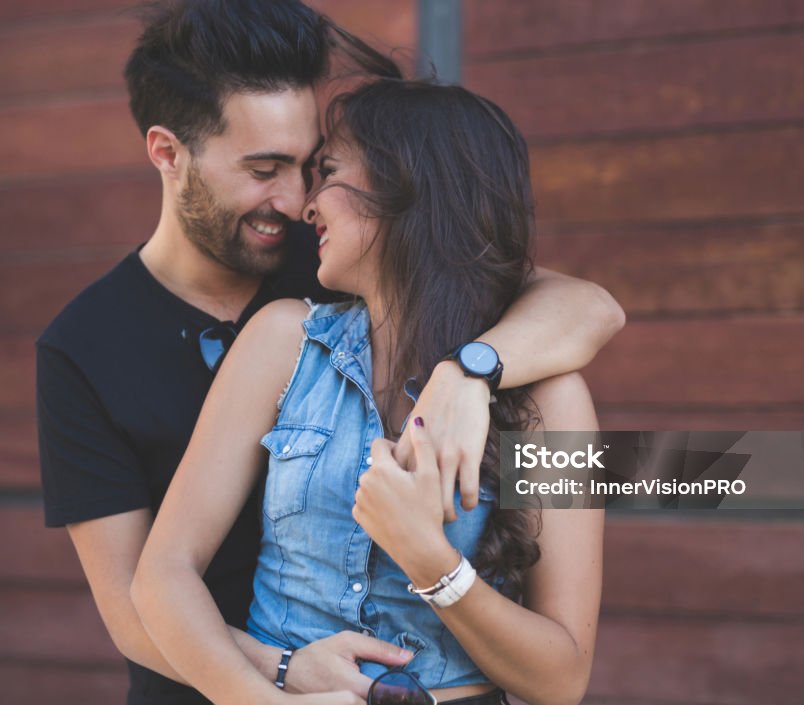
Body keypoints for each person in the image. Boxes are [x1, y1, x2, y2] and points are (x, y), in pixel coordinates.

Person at [36, 1, 621, 703]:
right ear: (168, 153)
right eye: (264, 168)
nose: (295, 201)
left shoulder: (340, 264)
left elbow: (592, 306)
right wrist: (280, 680)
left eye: (316, 167)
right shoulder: (109, 344)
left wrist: (470, 373)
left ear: (402, 198)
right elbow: (142, 598)